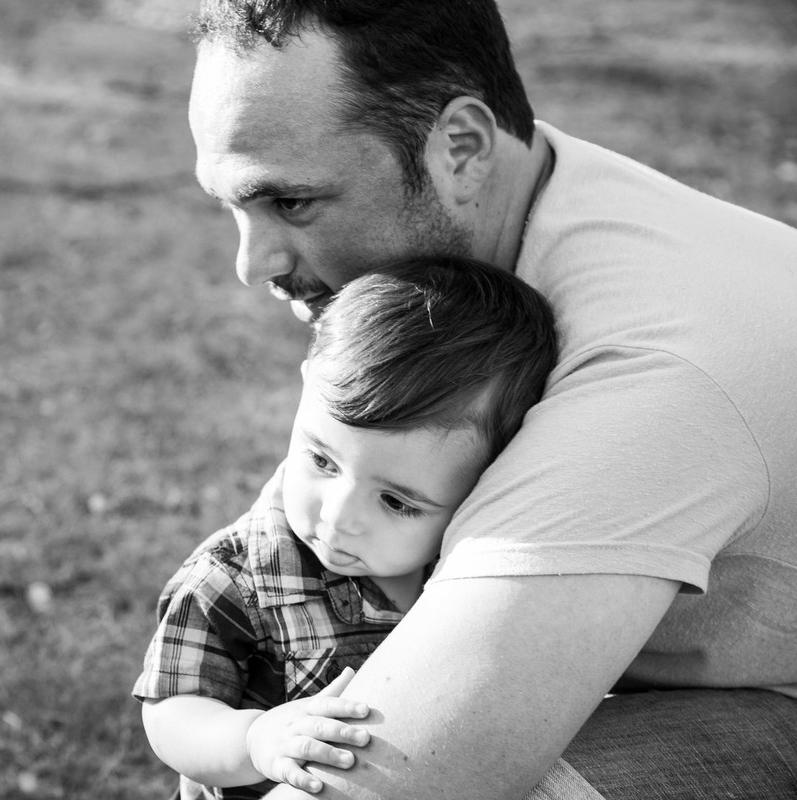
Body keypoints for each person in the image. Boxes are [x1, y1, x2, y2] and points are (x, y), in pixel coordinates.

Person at [183, 1, 797, 799]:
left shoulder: (649, 375)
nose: (252, 263)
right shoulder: (529, 204)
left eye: (292, 203)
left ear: (462, 148)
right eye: (232, 204)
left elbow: (402, 774)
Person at [134, 257, 559, 800]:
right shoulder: (233, 581)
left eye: (396, 502)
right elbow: (171, 711)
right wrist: (253, 738)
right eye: (322, 461)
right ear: (307, 386)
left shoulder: (488, 580)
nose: (337, 517)